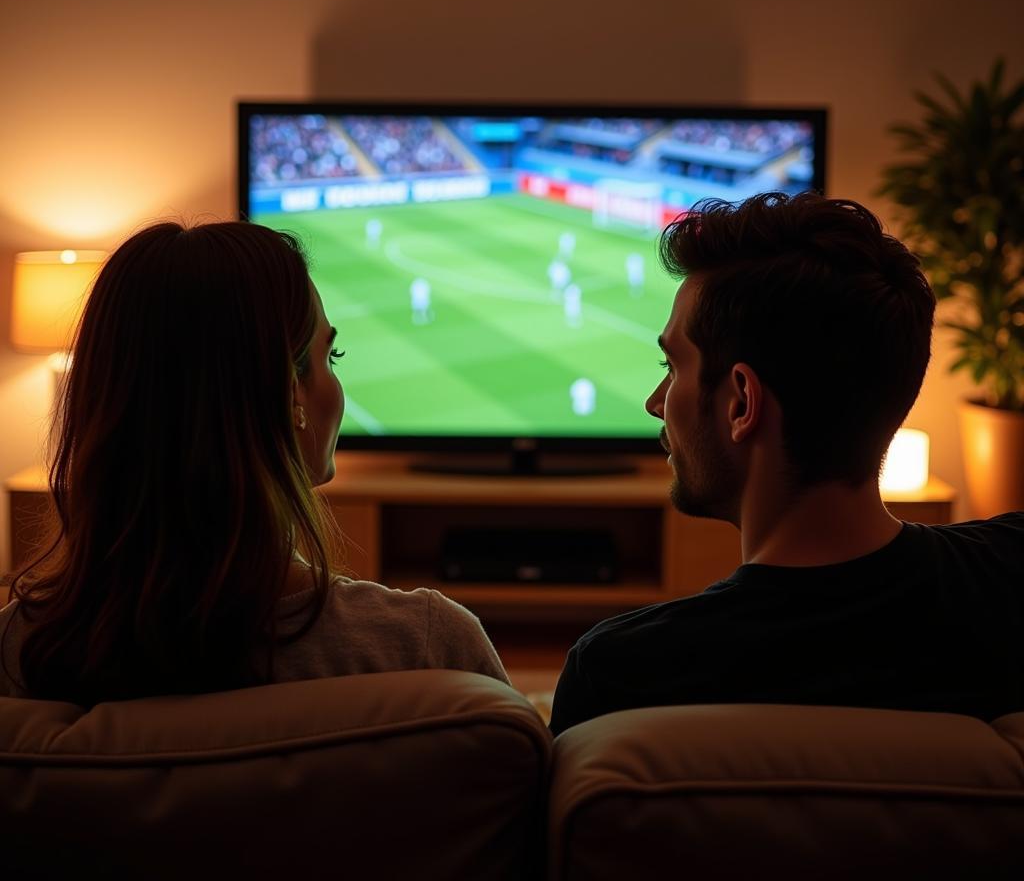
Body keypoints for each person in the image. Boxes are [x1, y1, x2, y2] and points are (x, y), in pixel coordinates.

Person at [549, 191, 1024, 736]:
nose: (656, 402)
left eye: (672, 366)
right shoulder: (1011, 581)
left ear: (741, 404)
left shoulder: (619, 674)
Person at [0, 222, 508, 704]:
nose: (335, 382)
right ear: (291, 395)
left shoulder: (14, 650)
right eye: (332, 356)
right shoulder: (429, 645)